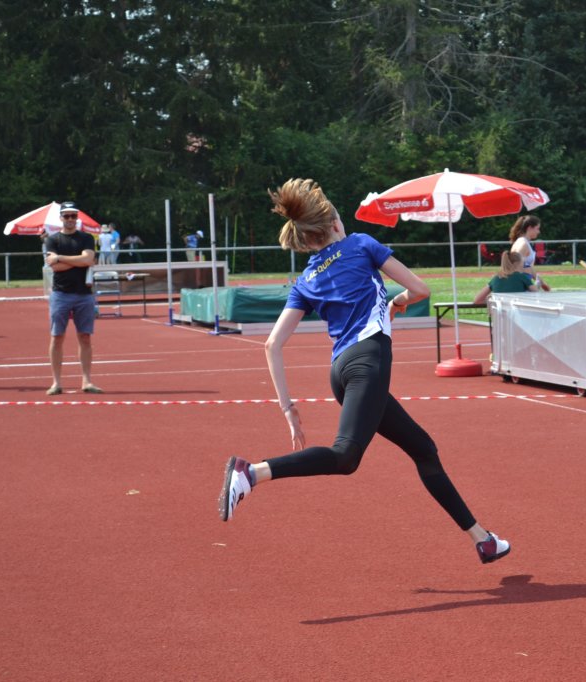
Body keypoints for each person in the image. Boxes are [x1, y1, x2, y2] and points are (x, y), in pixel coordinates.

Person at [217, 178, 511, 565]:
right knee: (345, 457)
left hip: (342, 372)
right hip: (367, 364)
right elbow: (420, 289)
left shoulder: (306, 279)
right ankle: (251, 473)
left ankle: (483, 540)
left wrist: (288, 409)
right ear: (335, 223)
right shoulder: (360, 244)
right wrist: (399, 301)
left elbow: (272, 344)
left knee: (423, 449)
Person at [44, 201, 102, 395]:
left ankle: (87, 381)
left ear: (77, 218)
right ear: (61, 218)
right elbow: (55, 267)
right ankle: (56, 382)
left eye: (73, 216)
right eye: (67, 216)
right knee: (57, 337)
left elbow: (87, 259)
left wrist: (60, 257)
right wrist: (80, 261)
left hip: (84, 294)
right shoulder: (52, 240)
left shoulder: (86, 238)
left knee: (85, 337)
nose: (70, 219)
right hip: (60, 294)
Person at [473, 251, 539, 304]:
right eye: (522, 263)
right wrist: (538, 284)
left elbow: (477, 300)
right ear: (516, 263)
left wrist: (493, 302)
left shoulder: (495, 278)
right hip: (517, 314)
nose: (524, 266)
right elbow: (536, 293)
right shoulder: (522, 277)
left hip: (499, 315)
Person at [507, 215, 551, 291]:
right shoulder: (523, 244)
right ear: (529, 228)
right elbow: (517, 266)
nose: (539, 232)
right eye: (537, 228)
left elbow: (527, 266)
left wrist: (541, 282)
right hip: (521, 286)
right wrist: (531, 286)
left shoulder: (521, 242)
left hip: (522, 283)